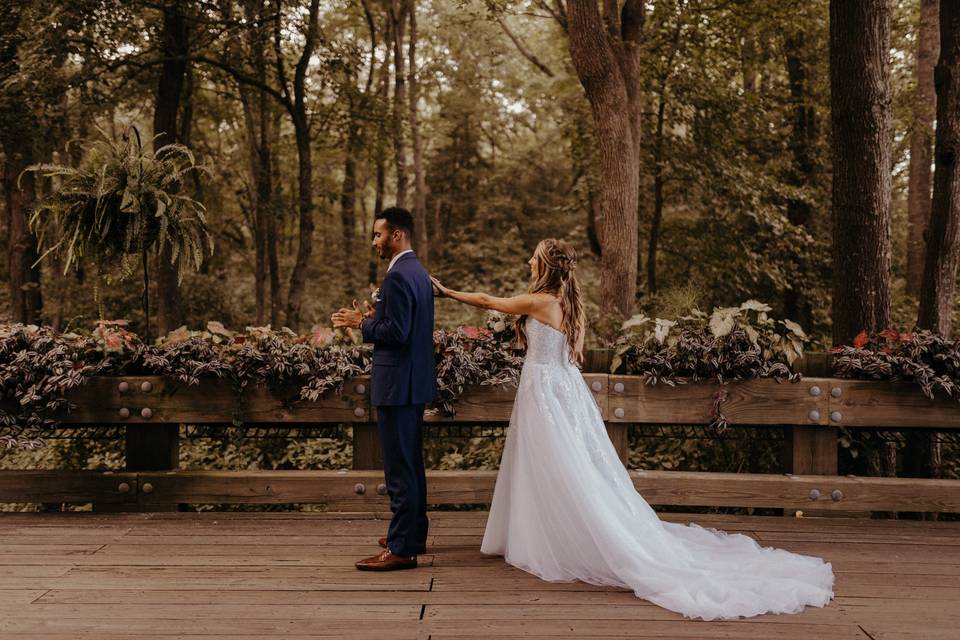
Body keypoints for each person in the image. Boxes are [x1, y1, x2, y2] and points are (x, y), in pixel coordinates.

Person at [429, 238, 835, 620]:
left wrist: (445, 292)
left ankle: (570, 539)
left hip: (546, 392)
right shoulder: (571, 307)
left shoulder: (540, 301)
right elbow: (573, 353)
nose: (528, 261)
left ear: (547, 266)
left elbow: (488, 301)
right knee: (568, 466)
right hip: (561, 388)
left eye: (534, 256)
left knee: (561, 466)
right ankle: (545, 534)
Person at [332, 206, 436, 571]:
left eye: (378, 235)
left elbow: (397, 333)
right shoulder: (417, 272)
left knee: (399, 467)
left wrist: (361, 323)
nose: (374, 242)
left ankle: (402, 548)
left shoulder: (397, 277)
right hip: (413, 380)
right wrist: (376, 318)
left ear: (397, 235)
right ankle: (412, 533)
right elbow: (403, 324)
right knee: (411, 463)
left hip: (398, 384)